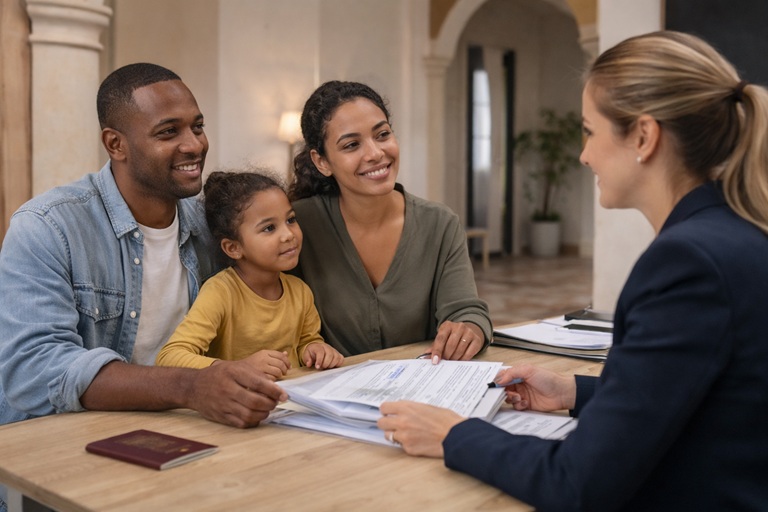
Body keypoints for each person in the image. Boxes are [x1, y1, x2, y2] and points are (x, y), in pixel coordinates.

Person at [377, 31, 768, 511]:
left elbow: (578, 484)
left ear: (644, 136)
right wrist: (573, 390)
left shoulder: (688, 263)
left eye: (589, 130)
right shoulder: (735, 231)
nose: (583, 154)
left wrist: (455, 434)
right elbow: (706, 393)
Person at [0, 63, 287, 429]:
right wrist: (191, 387)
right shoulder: (47, 227)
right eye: (169, 132)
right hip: (66, 444)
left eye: (197, 126)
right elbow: (34, 370)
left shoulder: (212, 225)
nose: (194, 144)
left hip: (188, 428)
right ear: (115, 144)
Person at [289, 80, 492, 362]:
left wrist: (470, 329)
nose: (375, 153)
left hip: (420, 393)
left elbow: (467, 310)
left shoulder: (440, 223)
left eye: (382, 134)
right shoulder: (296, 227)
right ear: (321, 161)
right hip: (326, 397)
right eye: (351, 145)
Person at [156, 169, 344, 375]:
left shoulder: (300, 291)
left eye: (290, 220)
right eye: (269, 228)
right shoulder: (220, 292)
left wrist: (316, 350)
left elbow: (307, 341)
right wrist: (236, 368)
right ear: (233, 248)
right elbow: (169, 358)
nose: (288, 235)